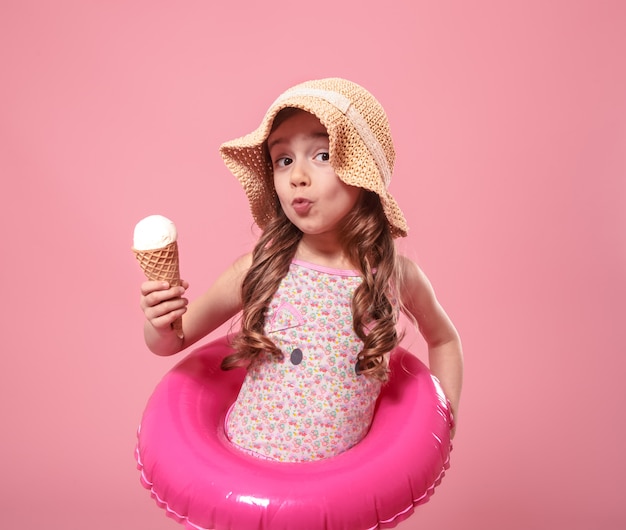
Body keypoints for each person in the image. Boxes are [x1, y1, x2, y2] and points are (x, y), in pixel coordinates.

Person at [139, 78, 463, 462]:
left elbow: (444, 341)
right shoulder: (261, 268)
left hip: (339, 496)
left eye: (322, 155)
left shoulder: (394, 276)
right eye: (284, 160)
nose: (297, 176)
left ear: (363, 174)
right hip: (244, 481)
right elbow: (172, 341)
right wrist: (159, 323)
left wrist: (442, 418)